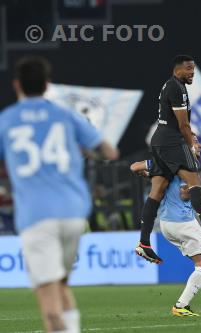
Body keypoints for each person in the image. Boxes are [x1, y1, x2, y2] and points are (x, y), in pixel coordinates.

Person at [0, 56, 119, 333]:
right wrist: (83, 149)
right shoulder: (66, 115)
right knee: (62, 284)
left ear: (17, 85)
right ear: (47, 84)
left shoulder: (6, 120)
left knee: (48, 300)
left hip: (36, 215)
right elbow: (110, 152)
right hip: (75, 212)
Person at [136, 55, 201, 265]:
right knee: (194, 182)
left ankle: (143, 243)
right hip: (172, 141)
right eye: (189, 69)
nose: (192, 73)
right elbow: (183, 125)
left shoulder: (173, 86)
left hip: (161, 141)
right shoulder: (177, 88)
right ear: (177, 69)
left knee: (157, 190)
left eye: (194, 69)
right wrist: (191, 144)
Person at [131, 134, 201, 317]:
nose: (200, 146)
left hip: (168, 222)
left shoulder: (165, 162)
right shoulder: (183, 163)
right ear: (186, 146)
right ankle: (181, 305)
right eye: (195, 142)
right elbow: (183, 193)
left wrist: (149, 172)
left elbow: (134, 166)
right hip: (182, 221)